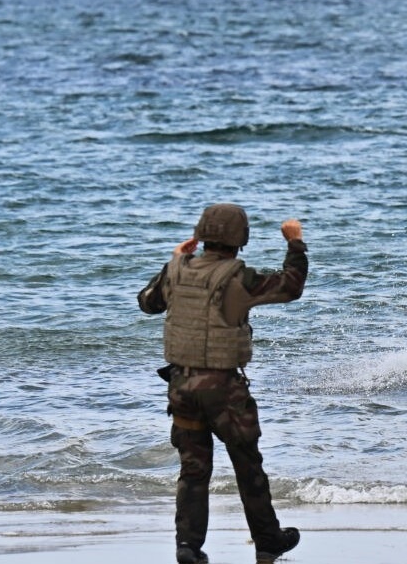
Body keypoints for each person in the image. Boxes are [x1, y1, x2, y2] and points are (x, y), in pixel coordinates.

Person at [137, 203, 308, 564]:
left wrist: (173, 262)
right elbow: (291, 288)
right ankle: (267, 540)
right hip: (223, 390)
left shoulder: (176, 271)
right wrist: (295, 244)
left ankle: (188, 546)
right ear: (240, 240)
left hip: (180, 385)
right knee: (248, 464)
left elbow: (147, 303)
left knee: (193, 470)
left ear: (199, 235)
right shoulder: (238, 277)